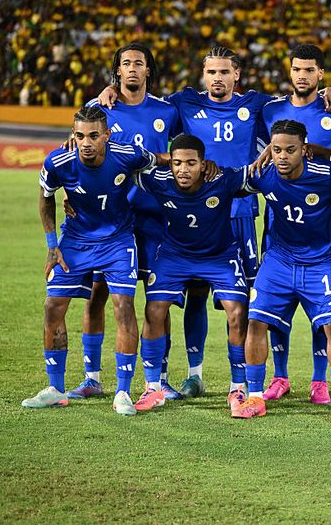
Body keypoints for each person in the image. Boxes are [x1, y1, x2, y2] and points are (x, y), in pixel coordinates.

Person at [99, 46, 331, 399]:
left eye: (224, 72)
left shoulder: (258, 105)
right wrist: (110, 91)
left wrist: (327, 91)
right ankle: (193, 375)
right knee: (192, 296)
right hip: (188, 212)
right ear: (203, 73)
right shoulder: (183, 103)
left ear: (236, 75)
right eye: (211, 72)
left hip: (239, 213)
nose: (217, 79)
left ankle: (254, 380)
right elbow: (140, 102)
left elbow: (294, 105)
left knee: (248, 302)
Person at [22, 106, 159, 416]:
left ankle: (123, 392)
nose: (85, 142)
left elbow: (157, 160)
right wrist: (51, 245)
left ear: (106, 136)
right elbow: (46, 197)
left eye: (93, 136)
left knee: (123, 306)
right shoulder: (58, 162)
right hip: (75, 241)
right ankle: (56, 388)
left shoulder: (126, 155)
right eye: (80, 135)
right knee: (52, 306)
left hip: (118, 240)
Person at [68, 41, 185, 401]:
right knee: (99, 294)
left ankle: (159, 379)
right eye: (126, 63)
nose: (132, 68)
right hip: (110, 219)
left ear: (149, 70)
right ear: (117, 71)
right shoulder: (98, 108)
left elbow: (181, 155)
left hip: (155, 217)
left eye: (139, 63)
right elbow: (73, 155)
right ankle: (91, 377)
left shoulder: (168, 111)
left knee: (157, 298)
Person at [233, 120, 331, 424]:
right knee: (256, 323)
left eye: (291, 150)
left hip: (321, 263)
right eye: (276, 150)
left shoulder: (327, 176)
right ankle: (254, 397)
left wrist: (327, 154)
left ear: (304, 149)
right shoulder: (263, 174)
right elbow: (228, 184)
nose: (282, 157)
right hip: (278, 262)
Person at [256, 44, 331, 404]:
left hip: (323, 220)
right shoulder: (270, 110)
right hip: (279, 221)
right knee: (276, 307)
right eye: (297, 68)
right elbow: (260, 156)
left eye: (310, 69)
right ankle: (280, 376)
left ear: (321, 74)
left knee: (323, 310)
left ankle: (319, 381)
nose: (302, 75)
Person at [133, 133, 252, 415]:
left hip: (219, 256)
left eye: (190, 163)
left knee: (237, 312)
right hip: (175, 256)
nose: (183, 170)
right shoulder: (158, 180)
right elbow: (121, 165)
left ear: (203, 163)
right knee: (154, 310)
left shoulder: (222, 180)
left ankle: (238, 388)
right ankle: (152, 387)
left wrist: (274, 150)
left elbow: (260, 172)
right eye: (176, 163)